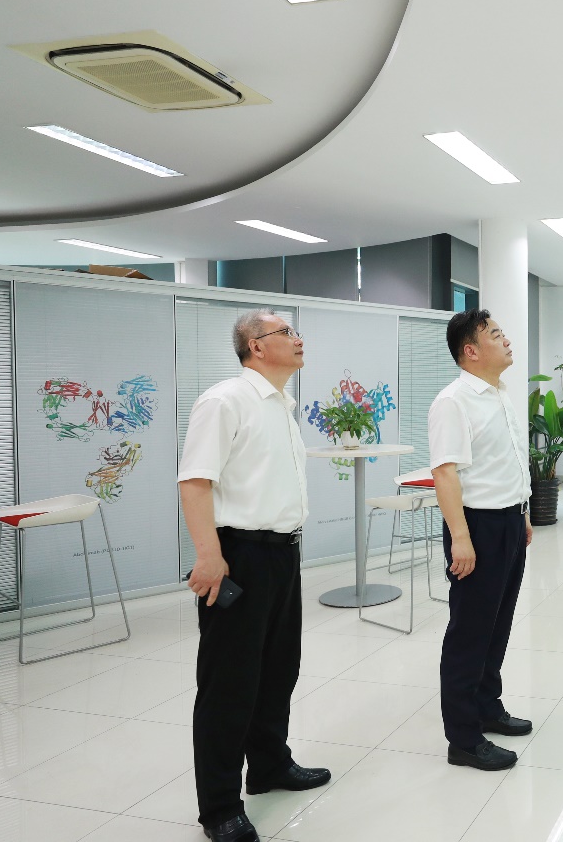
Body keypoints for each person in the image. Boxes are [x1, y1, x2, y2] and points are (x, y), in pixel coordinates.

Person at [180, 310, 329, 842]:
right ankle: (220, 807)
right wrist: (208, 555)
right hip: (238, 555)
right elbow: (195, 482)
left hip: (282, 554)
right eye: (286, 332)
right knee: (229, 683)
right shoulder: (225, 400)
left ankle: (269, 765)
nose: (298, 338)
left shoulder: (281, 405)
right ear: (256, 346)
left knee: (277, 669)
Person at [429, 309, 534, 771]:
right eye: (496, 335)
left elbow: (508, 461)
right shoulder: (453, 401)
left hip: (509, 521)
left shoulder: (500, 394)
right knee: (469, 634)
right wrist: (461, 538)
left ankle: (488, 707)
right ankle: (464, 738)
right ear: (471, 350)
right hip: (476, 527)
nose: (506, 340)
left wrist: (522, 513)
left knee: (498, 625)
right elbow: (445, 473)